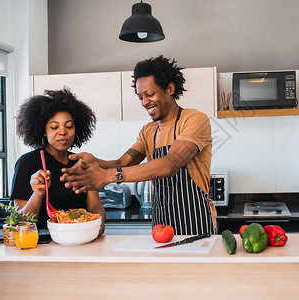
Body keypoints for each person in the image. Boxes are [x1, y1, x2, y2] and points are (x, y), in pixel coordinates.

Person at [60, 55, 215, 235]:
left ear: (170, 88)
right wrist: (96, 162)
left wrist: (108, 176)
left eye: (150, 94)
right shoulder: (148, 131)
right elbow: (124, 163)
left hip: (195, 220)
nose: (144, 102)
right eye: (140, 96)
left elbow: (170, 164)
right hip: (162, 223)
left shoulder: (194, 120)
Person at [10, 88, 105, 235]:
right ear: (43, 130)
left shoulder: (81, 163)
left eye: (69, 126)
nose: (63, 132)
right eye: (54, 127)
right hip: (43, 245)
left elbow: (95, 207)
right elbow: (21, 222)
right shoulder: (27, 163)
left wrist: (99, 222)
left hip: (82, 238)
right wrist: (37, 194)